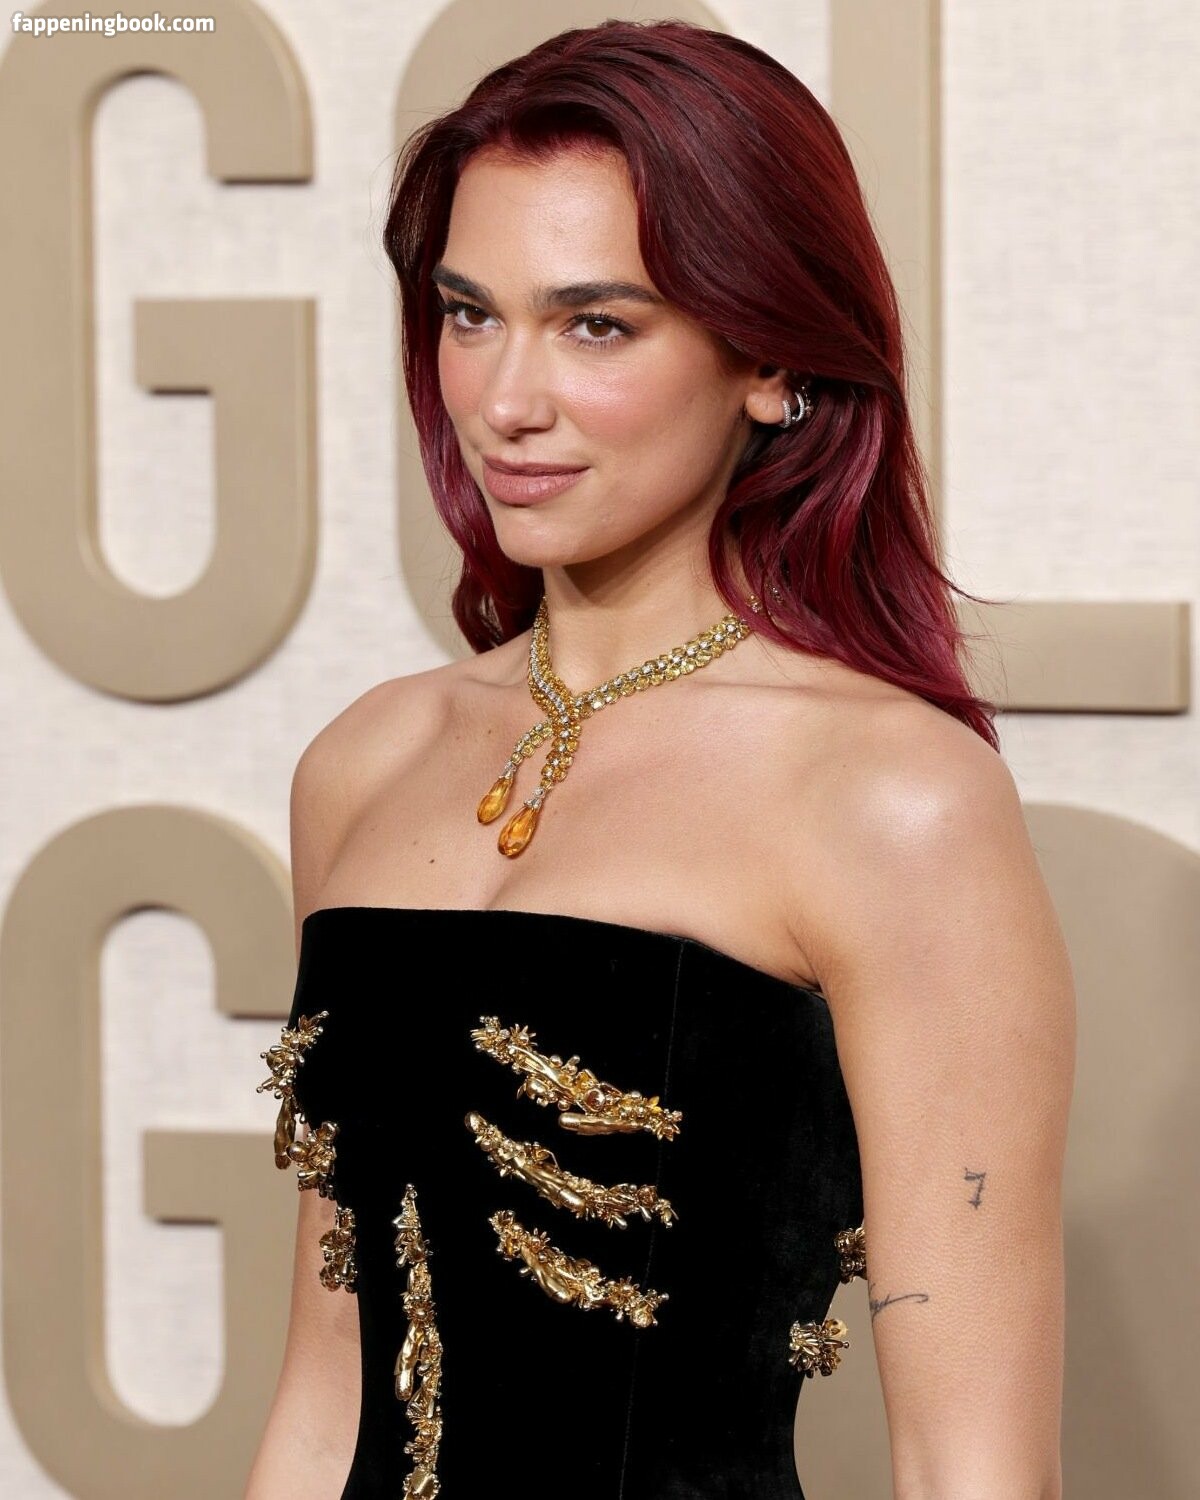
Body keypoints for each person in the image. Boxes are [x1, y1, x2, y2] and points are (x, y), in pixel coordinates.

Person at [245, 19, 1075, 1500]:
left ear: (770, 359)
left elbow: (973, 1464)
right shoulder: (365, 761)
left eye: (597, 326)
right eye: (469, 314)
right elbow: (323, 1395)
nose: (504, 400)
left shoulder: (892, 800)